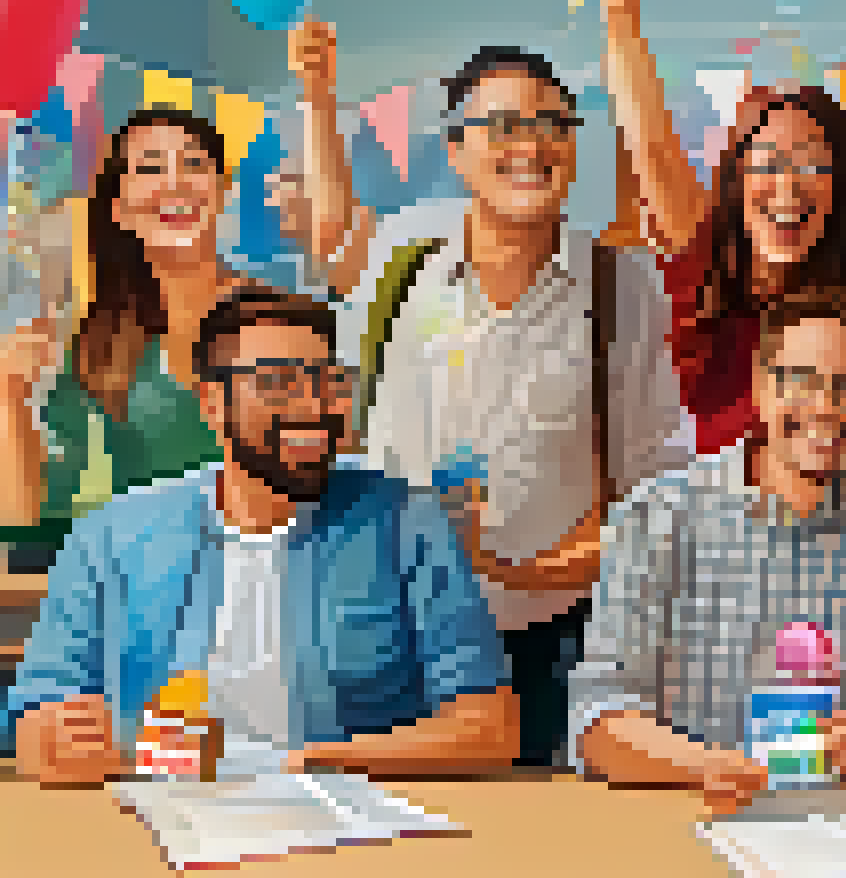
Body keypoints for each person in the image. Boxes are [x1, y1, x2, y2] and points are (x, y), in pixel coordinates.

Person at [291, 24, 687, 768]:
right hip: (392, 631)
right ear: (455, 146)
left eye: (552, 125)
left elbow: (644, 494)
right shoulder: (401, 262)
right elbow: (340, 420)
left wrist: (511, 573)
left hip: (553, 638)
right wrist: (318, 98)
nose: (530, 146)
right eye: (503, 125)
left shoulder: (619, 286)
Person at [4, 288, 515, 782]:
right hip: (165, 823)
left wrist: (303, 765)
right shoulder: (110, 538)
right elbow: (35, 725)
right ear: (211, 402)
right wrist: (60, 746)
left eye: (332, 382)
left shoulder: (408, 521)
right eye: (277, 382)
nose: (314, 406)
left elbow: (490, 730)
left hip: (352, 821)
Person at [569, 296, 846, 814]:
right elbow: (597, 720)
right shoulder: (656, 514)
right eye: (800, 379)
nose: (824, 405)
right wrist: (708, 767)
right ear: (761, 390)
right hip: (687, 816)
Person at [587, 0, 846, 454]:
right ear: (736, 184)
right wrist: (621, 17)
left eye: (811, 165)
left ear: (839, 189)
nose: (788, 188)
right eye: (767, 165)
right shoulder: (699, 259)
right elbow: (653, 151)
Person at [1, 109, 255, 553]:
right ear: (117, 207)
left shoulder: (284, 324)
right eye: (150, 168)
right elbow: (23, 530)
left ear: (222, 188)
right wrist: (9, 399)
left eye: (194, 165)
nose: (175, 183)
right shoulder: (76, 343)